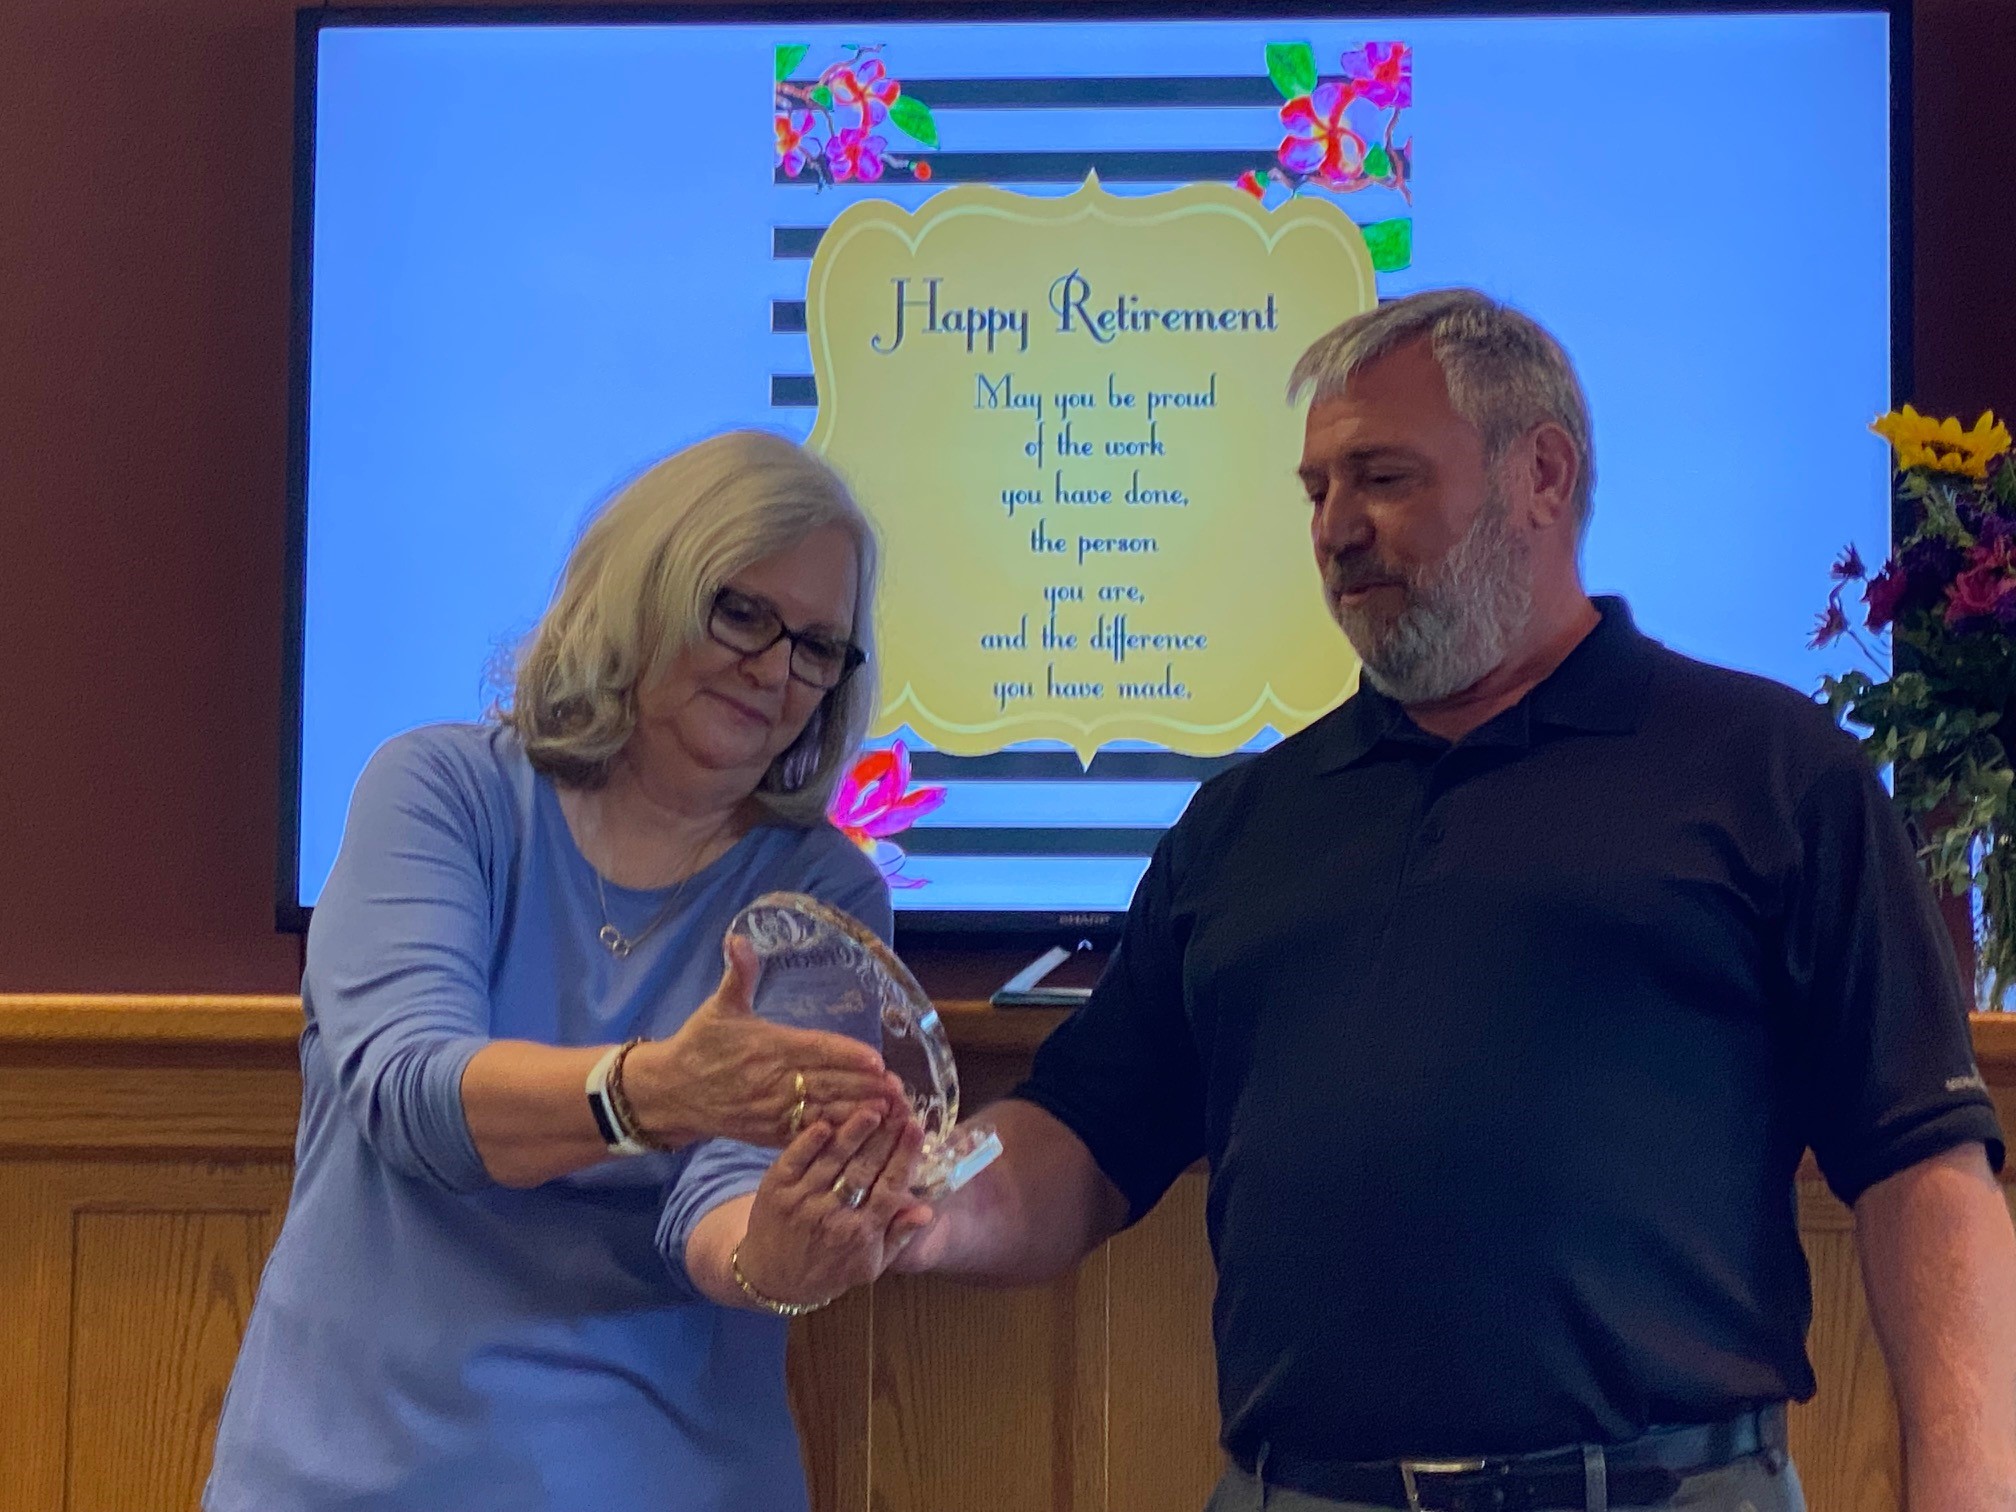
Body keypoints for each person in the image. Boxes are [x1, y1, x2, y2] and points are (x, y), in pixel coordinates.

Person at [895, 290, 2016, 1511]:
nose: (1336, 529)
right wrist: (924, 1200)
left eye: (1382, 478)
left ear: (1542, 473)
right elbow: (1084, 1138)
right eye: (1315, 491)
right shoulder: (1243, 823)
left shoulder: (1773, 772)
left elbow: (1923, 1170)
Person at [208, 431, 933, 1512]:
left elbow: (723, 1200)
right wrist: (656, 1092)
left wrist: (781, 1254)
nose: (778, 669)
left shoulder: (823, 891)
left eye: (819, 646)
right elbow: (412, 1097)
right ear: (642, 591)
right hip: (358, 1476)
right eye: (741, 613)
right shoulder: (439, 793)